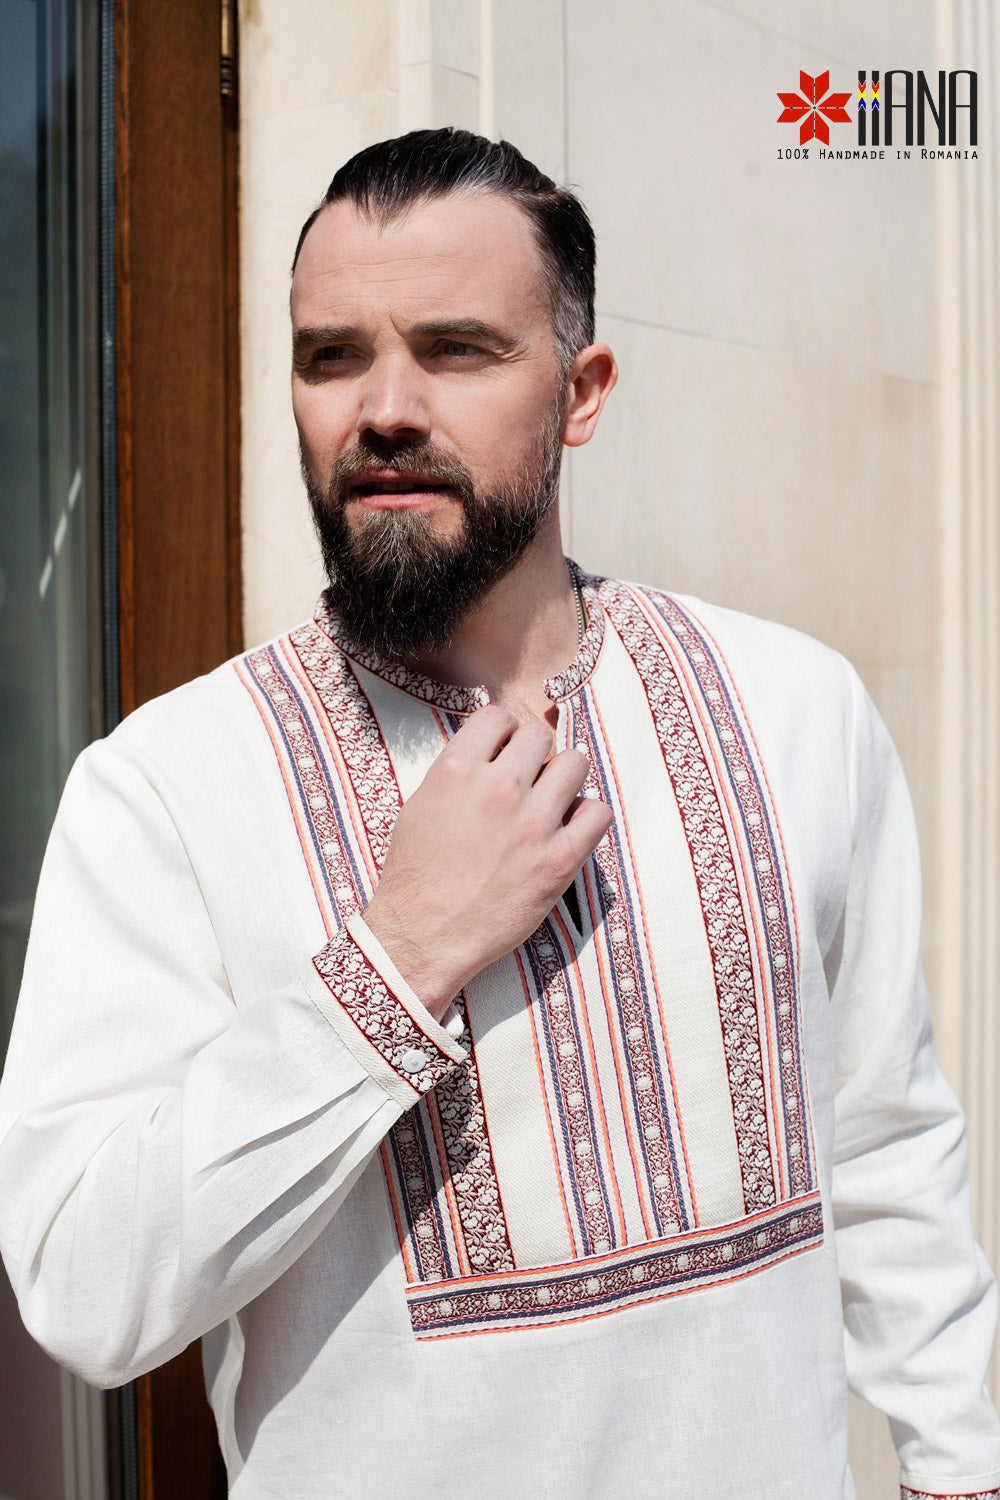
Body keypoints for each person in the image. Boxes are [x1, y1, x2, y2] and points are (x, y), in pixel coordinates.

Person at [0, 128, 997, 1500]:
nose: (384, 408)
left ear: (581, 393)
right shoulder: (165, 789)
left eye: (457, 350)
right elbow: (81, 1288)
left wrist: (959, 1467)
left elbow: (885, 1145)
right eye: (331, 356)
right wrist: (397, 960)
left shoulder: (794, 707)